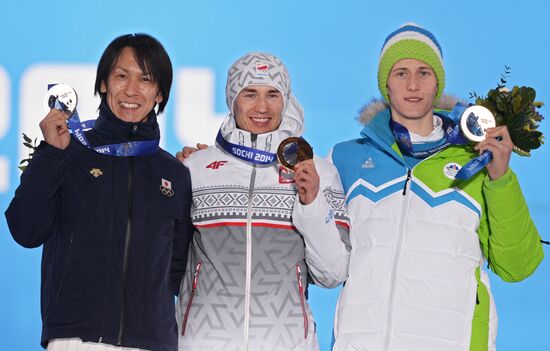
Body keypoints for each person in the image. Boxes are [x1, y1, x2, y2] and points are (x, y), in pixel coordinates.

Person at [329, 23, 544, 351]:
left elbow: (517, 266)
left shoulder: (476, 158)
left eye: (424, 72)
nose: (412, 84)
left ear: (437, 82)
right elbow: (323, 258)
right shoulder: (347, 158)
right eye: (400, 73)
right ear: (385, 82)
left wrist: (501, 179)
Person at [5, 34, 193, 351]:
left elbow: (178, 269)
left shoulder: (173, 173)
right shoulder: (69, 151)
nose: (131, 90)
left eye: (145, 79)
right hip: (77, 339)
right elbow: (25, 230)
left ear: (159, 92)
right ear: (103, 84)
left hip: (151, 342)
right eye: (121, 76)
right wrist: (50, 154)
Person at [175, 52, 350, 351]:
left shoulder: (317, 171)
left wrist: (311, 205)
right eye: (250, 94)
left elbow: (333, 274)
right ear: (233, 99)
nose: (262, 107)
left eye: (273, 95)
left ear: (286, 101)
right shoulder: (195, 168)